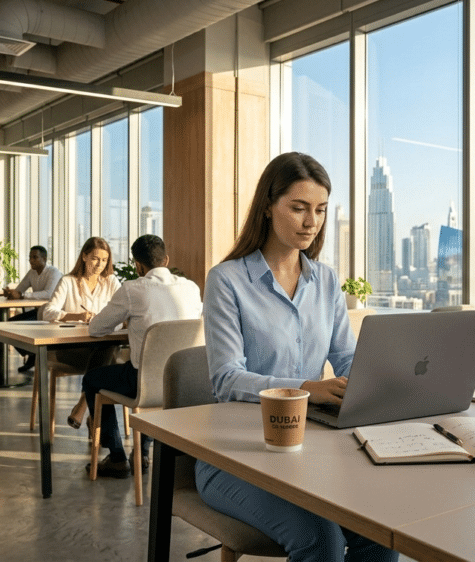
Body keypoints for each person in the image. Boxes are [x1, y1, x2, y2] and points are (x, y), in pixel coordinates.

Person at [198, 153, 399, 562]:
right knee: (320, 539)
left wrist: (385, 381)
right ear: (268, 207)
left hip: (312, 450)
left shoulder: (324, 280)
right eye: (299, 208)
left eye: (321, 210)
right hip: (235, 453)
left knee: (380, 530)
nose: (312, 222)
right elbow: (226, 377)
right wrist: (308, 389)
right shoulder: (227, 281)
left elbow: (345, 357)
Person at [83, 234, 203, 478]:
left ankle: (116, 456)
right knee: (150, 376)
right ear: (166, 260)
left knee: (92, 379)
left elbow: (96, 329)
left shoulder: (132, 289)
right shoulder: (191, 288)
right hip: (183, 385)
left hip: (143, 383)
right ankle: (143, 452)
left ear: (137, 265)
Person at [41, 237, 122, 426]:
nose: (99, 264)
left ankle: (83, 405)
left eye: (104, 260)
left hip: (100, 346)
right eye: (95, 258)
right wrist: (75, 315)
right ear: (84, 256)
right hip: (71, 350)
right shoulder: (68, 281)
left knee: (105, 349)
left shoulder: (110, 281)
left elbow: (124, 310)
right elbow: (47, 312)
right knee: (107, 359)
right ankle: (93, 419)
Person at [3, 245, 63, 372]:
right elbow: (20, 289)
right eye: (30, 257)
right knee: (9, 324)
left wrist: (23, 295)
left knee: (14, 324)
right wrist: (12, 293)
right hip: (39, 311)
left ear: (44, 258)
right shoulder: (32, 273)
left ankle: (34, 354)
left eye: (35, 257)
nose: (31, 260)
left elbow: (49, 294)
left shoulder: (54, 273)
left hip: (52, 314)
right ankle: (33, 354)